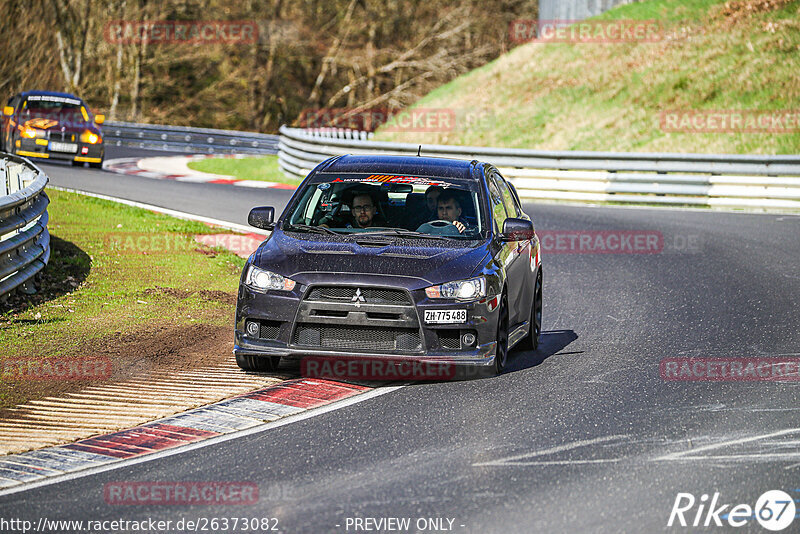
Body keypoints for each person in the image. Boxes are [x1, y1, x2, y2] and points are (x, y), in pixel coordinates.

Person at [320, 190, 387, 228]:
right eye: (358, 208)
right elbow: (327, 225)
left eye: (366, 207)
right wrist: (325, 226)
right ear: (353, 212)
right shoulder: (343, 225)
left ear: (374, 210)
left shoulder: (384, 227)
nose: (362, 211)